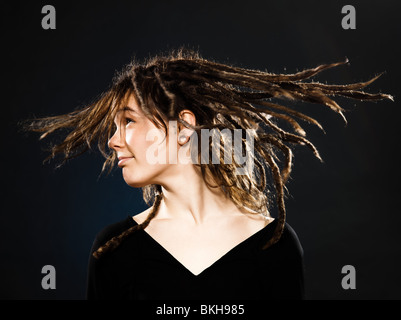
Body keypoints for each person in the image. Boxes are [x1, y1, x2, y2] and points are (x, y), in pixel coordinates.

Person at [25, 48, 392, 300]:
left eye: (128, 122)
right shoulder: (114, 249)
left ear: (184, 126)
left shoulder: (273, 245)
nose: (114, 141)